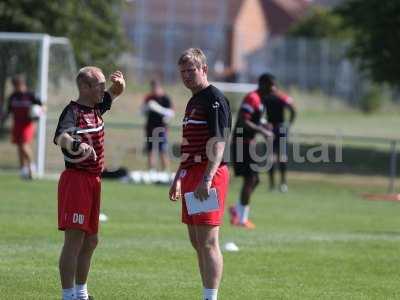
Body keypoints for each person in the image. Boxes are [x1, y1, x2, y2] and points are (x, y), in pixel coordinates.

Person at [53, 67, 125, 300]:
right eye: (99, 86)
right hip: (76, 181)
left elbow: (113, 93)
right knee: (74, 241)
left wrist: (119, 86)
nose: (104, 90)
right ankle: (68, 296)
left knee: (91, 240)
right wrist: (77, 145)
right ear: (84, 88)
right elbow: (61, 137)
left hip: (94, 181)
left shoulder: (97, 106)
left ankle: (81, 293)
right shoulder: (72, 111)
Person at [169, 48, 231, 300]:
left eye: (190, 70)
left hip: (209, 175)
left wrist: (207, 178)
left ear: (203, 69)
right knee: (197, 242)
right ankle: (207, 294)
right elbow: (189, 144)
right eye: (182, 72)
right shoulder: (193, 100)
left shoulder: (214, 99)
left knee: (208, 241)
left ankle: (211, 297)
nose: (186, 76)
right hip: (192, 174)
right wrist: (178, 177)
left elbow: (218, 142)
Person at [230, 74, 274, 229]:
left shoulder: (260, 101)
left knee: (254, 180)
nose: (273, 88)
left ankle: (237, 210)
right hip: (242, 143)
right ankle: (241, 220)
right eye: (271, 85)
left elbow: (255, 120)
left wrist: (265, 125)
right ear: (262, 84)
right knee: (250, 179)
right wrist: (262, 130)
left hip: (248, 143)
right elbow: (244, 120)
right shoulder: (253, 98)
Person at [1, 75, 42, 179]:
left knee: (24, 145)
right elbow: (8, 110)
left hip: (27, 125)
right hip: (17, 124)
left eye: (16, 85)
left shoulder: (31, 95)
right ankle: (23, 170)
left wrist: (38, 112)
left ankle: (32, 166)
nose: (15, 87)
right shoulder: (13, 96)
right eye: (14, 86)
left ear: (22, 84)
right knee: (19, 147)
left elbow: (42, 106)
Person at [263, 73, 296, 193]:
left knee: (273, 157)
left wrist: (263, 123)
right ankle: (282, 184)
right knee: (280, 157)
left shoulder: (265, 98)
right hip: (280, 128)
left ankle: (274, 185)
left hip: (271, 128)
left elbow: (260, 112)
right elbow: (292, 108)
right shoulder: (280, 96)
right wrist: (289, 123)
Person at [141, 79, 174, 171]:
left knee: (162, 150)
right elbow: (141, 112)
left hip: (161, 129)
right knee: (150, 149)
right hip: (150, 128)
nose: (153, 89)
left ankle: (165, 170)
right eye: (152, 87)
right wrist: (147, 107)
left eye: (155, 87)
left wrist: (157, 108)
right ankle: (151, 170)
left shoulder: (165, 98)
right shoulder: (149, 97)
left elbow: (171, 113)